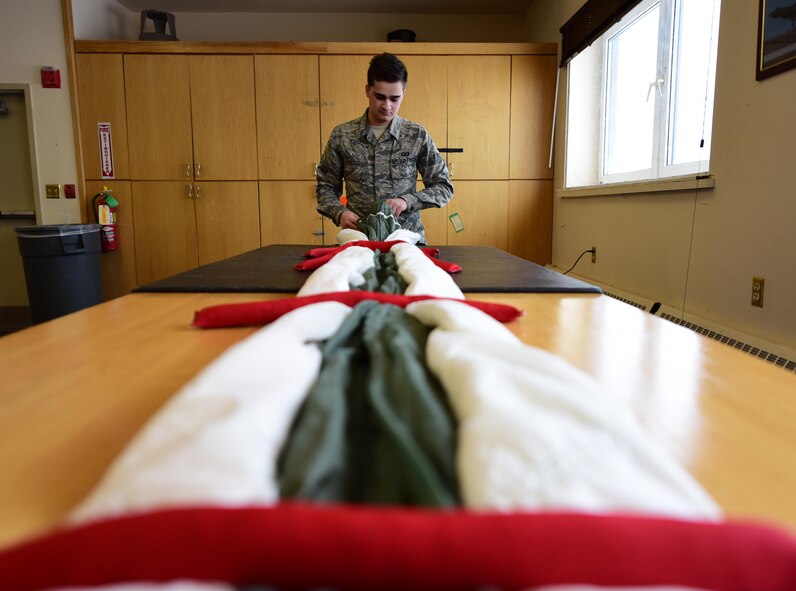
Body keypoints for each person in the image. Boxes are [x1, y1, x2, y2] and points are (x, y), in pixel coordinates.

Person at [315, 52, 453, 244]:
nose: (387, 106)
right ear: (367, 90)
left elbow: (443, 187)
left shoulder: (416, 135)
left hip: (406, 240)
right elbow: (326, 187)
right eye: (380, 97)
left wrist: (407, 201)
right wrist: (340, 213)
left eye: (394, 99)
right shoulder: (343, 135)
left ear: (403, 93)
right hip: (360, 239)